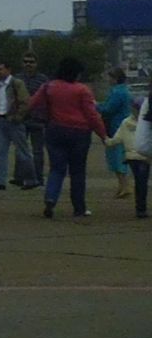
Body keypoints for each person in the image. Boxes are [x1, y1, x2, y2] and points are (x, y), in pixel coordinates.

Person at [27, 55, 105, 220]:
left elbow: (32, 104)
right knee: (77, 172)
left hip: (55, 131)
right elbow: (92, 116)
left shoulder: (48, 86)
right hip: (79, 133)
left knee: (56, 169)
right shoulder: (82, 90)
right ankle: (79, 208)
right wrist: (104, 135)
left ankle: (50, 198)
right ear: (76, 73)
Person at [0, 60, 38, 191]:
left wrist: (18, 117)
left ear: (8, 70)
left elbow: (25, 102)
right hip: (2, 121)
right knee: (1, 152)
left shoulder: (16, 83)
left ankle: (32, 179)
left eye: (1, 69)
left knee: (23, 152)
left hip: (14, 122)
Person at [98, 66, 134, 200]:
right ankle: (122, 186)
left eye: (110, 77)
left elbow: (108, 109)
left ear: (116, 78)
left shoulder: (117, 93)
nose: (108, 79)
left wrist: (95, 105)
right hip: (123, 126)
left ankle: (125, 186)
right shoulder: (125, 91)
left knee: (116, 157)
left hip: (116, 127)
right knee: (121, 156)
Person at [116, 90, 150, 220]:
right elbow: (118, 137)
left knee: (140, 182)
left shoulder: (126, 122)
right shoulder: (145, 123)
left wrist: (107, 140)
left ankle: (140, 207)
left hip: (134, 156)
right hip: (140, 157)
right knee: (141, 182)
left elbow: (118, 137)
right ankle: (141, 208)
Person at [19, 53, 51, 185]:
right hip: (21, 119)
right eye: (26, 62)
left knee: (38, 151)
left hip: (38, 119)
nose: (28, 64)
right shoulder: (17, 79)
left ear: (36, 64)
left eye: (31, 62)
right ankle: (21, 177)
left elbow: (48, 97)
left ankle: (38, 177)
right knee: (21, 150)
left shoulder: (43, 79)